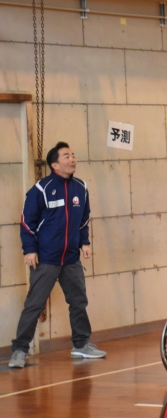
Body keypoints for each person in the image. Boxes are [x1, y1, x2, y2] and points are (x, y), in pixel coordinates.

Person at [9, 142, 106, 369]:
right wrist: (30, 249)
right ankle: (20, 350)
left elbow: (84, 219)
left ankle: (81, 345)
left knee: (78, 302)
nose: (72, 159)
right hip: (46, 259)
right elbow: (27, 222)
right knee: (34, 304)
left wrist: (84, 242)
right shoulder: (41, 189)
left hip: (71, 259)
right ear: (54, 164)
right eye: (66, 156)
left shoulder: (81, 188)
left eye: (73, 155)